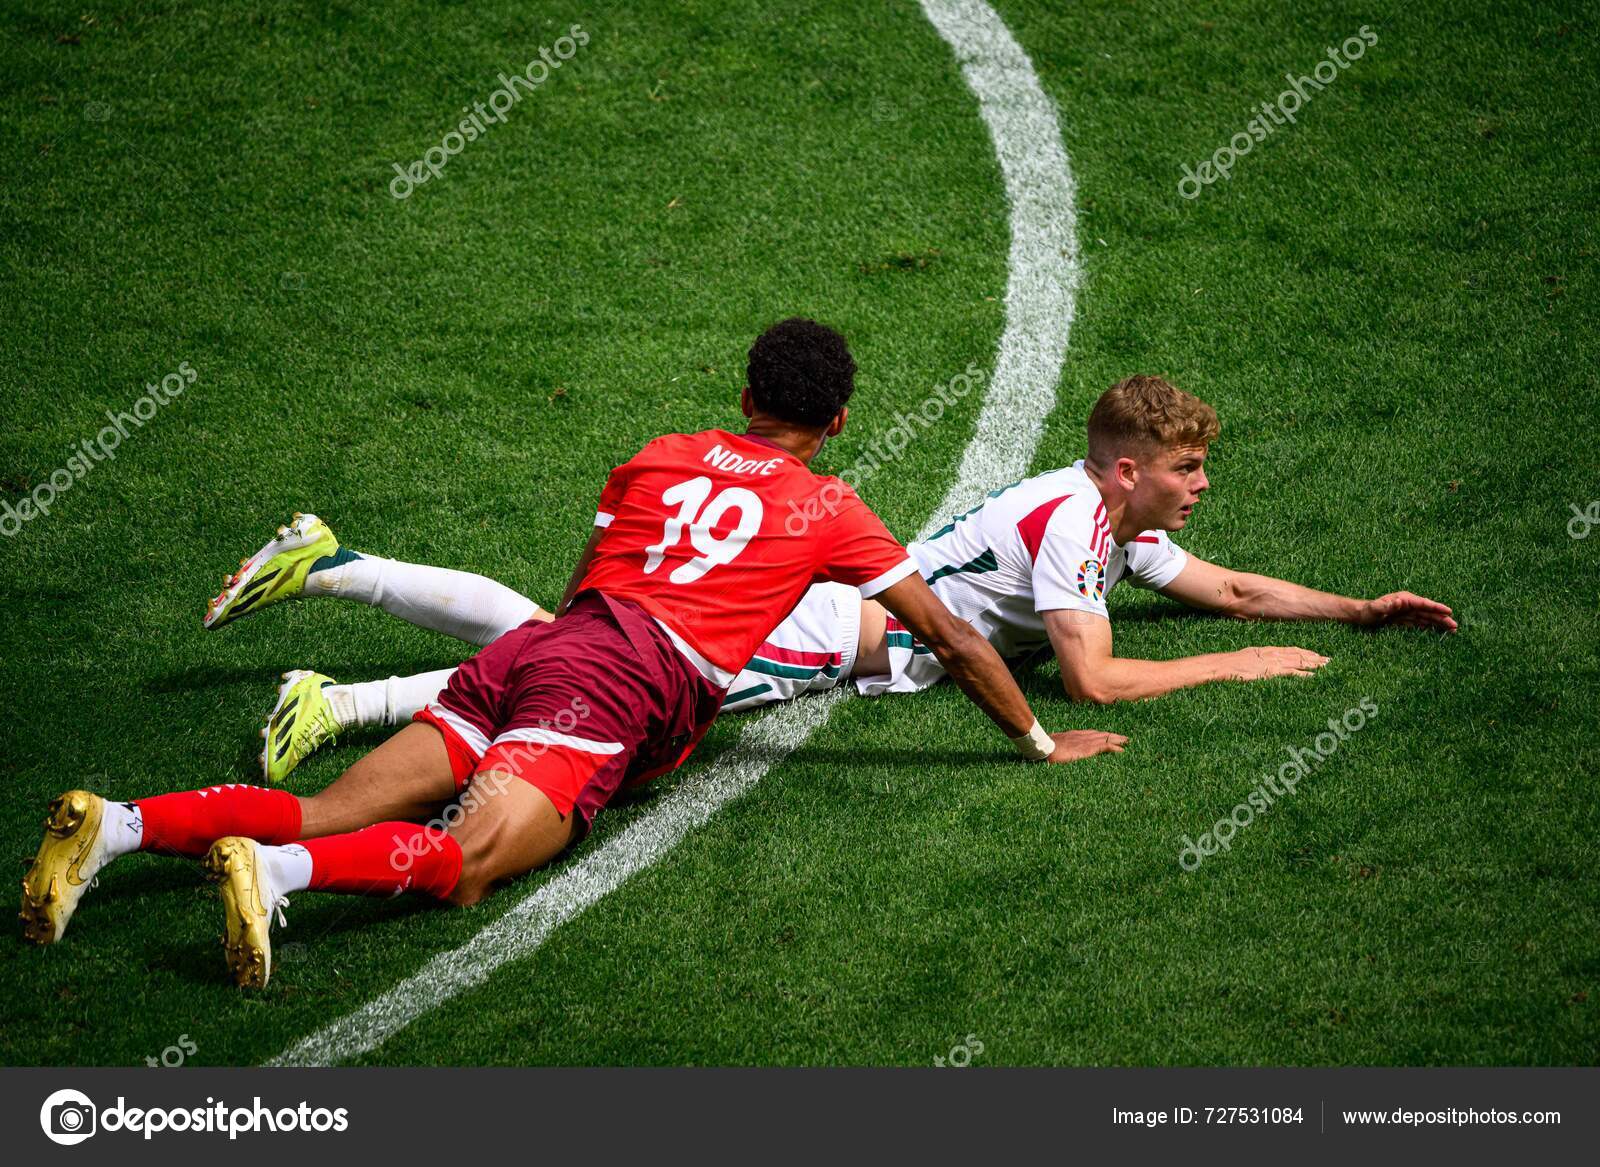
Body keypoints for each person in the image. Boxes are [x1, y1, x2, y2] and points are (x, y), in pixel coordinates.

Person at [21, 318, 1124, 987]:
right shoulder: (831, 507)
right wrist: (1034, 742)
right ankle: (275, 875)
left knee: (331, 804)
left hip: (547, 653)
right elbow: (953, 641)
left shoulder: (654, 456)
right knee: (467, 867)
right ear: (835, 423)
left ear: (741, 399)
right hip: (612, 692)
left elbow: (582, 588)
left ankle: (117, 825)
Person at [225, 375, 1455, 784]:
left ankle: (344, 582)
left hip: (840, 618)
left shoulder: (1098, 511)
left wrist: (1359, 608)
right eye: (1186, 470)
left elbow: (1225, 585)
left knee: (568, 640)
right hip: (828, 634)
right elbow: (1097, 677)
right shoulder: (1073, 524)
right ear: (1128, 468)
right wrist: (1232, 669)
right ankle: (346, 676)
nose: (1198, 489)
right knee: (570, 662)